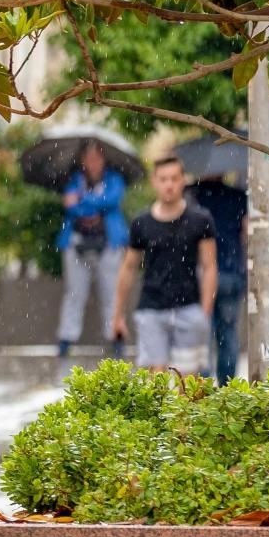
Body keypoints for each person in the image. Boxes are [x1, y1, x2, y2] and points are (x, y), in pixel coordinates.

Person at [112, 157, 218, 373]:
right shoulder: (141, 223)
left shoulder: (200, 219)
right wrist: (117, 314)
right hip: (151, 307)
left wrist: (205, 311)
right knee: (155, 381)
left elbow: (209, 266)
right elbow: (129, 267)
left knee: (187, 384)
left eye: (174, 179)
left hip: (189, 306)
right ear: (154, 181)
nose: (169, 184)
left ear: (182, 181)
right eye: (163, 179)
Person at [54, 143, 128, 365]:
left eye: (97, 157)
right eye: (89, 158)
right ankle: (66, 339)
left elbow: (112, 200)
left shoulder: (114, 179)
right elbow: (70, 206)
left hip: (109, 243)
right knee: (75, 293)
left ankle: (116, 338)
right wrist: (91, 207)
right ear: (83, 160)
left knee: (111, 292)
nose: (93, 162)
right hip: (77, 243)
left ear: (104, 159)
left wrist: (84, 201)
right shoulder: (74, 180)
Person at [188, 176, 247, 381]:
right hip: (231, 272)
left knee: (202, 331)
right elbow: (247, 232)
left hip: (201, 273)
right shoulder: (238, 196)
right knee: (228, 332)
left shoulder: (192, 197)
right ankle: (227, 386)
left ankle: (202, 386)